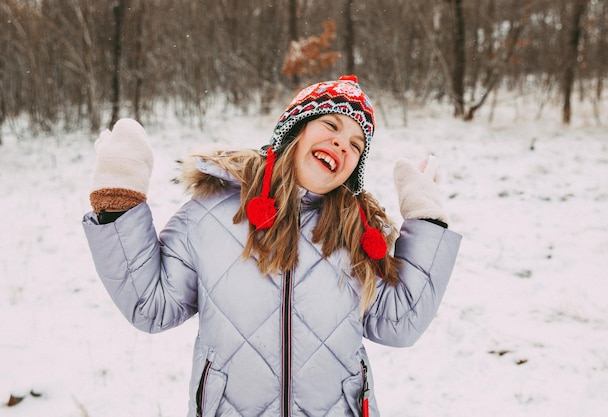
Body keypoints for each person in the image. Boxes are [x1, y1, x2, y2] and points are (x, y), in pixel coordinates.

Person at [82, 75, 461, 417]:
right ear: (295, 129)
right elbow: (151, 305)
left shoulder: (354, 234)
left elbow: (400, 323)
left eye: (356, 145)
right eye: (330, 124)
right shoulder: (212, 213)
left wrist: (425, 216)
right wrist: (119, 198)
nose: (341, 144)